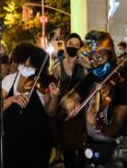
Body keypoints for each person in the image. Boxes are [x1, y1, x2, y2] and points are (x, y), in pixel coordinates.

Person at [61, 30, 127, 168]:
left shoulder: (124, 81)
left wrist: (99, 125)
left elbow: (114, 128)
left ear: (111, 55)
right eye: (92, 56)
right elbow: (67, 98)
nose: (95, 61)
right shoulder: (93, 76)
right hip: (93, 145)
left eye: (100, 56)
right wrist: (69, 102)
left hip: (120, 147)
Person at [0, 42, 60, 168]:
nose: (27, 65)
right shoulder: (9, 80)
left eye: (31, 63)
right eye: (24, 62)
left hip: (36, 141)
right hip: (11, 140)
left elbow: (50, 112)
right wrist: (12, 99)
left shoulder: (41, 83)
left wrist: (55, 96)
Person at [51, 33, 88, 168]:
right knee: (68, 152)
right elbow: (53, 92)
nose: (73, 47)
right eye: (70, 44)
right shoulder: (57, 68)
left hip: (82, 113)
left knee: (84, 151)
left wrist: (88, 66)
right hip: (65, 114)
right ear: (66, 45)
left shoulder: (84, 66)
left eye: (76, 45)